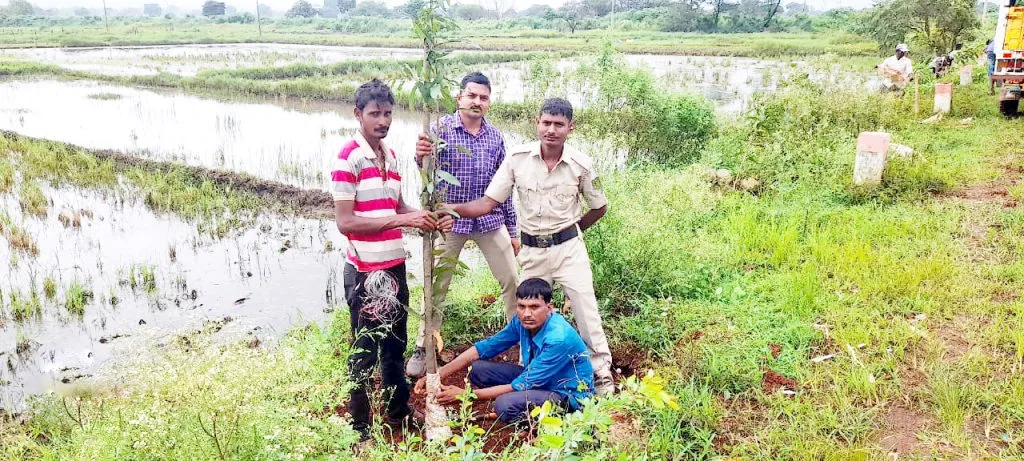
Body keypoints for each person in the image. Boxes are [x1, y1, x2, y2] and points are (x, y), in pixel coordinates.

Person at [440, 97, 615, 396]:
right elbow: (488, 203)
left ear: (570, 128)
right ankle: (529, 373)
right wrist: (451, 209)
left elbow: (599, 207)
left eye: (559, 124)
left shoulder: (581, 164)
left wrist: (573, 231)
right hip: (533, 251)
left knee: (587, 313)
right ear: (537, 123)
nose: (551, 130)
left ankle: (601, 377)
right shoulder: (517, 159)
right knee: (527, 313)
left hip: (569, 249)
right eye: (546, 123)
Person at [331, 79, 453, 442]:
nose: (382, 121)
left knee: (395, 346)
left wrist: (427, 218)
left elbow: (397, 206)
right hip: (365, 272)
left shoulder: (392, 156)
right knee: (364, 351)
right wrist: (404, 220)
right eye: (374, 114)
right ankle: (360, 427)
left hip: (394, 267)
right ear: (358, 114)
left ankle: (398, 411)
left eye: (387, 113)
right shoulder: (348, 158)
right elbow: (345, 222)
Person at [406, 72, 520, 378]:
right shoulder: (439, 129)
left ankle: (523, 340)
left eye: (483, 97)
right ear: (459, 98)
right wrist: (419, 157)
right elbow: (426, 172)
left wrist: (512, 231)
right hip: (449, 222)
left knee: (512, 279)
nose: (476, 102)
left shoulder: (495, 138)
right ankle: (424, 345)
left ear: (489, 102)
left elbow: (504, 189)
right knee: (436, 284)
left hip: (489, 220)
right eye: (471, 96)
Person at [413, 278, 594, 424]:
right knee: (477, 369)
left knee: (504, 405)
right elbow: (485, 348)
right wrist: (436, 376)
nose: (527, 313)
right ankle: (523, 404)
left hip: (566, 396)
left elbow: (522, 384)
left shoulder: (558, 338)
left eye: (534, 307)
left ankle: (548, 423)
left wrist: (465, 395)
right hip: (540, 382)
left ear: (549, 308)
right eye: (522, 306)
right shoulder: (522, 322)